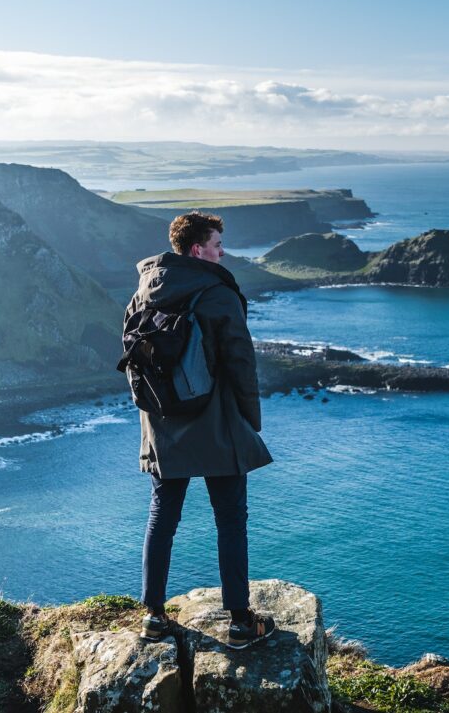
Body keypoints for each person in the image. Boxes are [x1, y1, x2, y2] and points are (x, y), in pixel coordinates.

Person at [123, 211, 275, 649]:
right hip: (216, 422)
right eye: (217, 245)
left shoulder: (143, 291)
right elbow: (241, 363)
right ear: (197, 250)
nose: (222, 252)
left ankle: (153, 616)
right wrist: (251, 422)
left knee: (162, 516)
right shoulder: (216, 293)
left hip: (162, 423)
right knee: (230, 520)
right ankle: (242, 622)